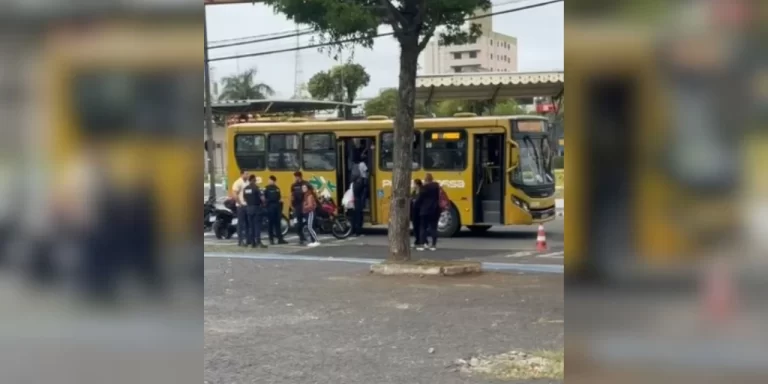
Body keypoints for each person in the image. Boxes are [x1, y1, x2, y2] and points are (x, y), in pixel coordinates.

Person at [415, 173, 441, 251]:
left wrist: (415, 205)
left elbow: (419, 199)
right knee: (433, 228)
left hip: (425, 210)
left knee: (423, 227)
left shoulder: (424, 188)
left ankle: (423, 244)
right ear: (432, 179)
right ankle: (433, 245)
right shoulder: (437, 187)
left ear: (426, 180)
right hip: (435, 209)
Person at [243, 175, 267, 248]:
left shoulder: (246, 188)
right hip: (256, 208)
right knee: (257, 226)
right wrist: (264, 203)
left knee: (251, 226)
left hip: (249, 209)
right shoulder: (256, 188)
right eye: (255, 180)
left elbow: (244, 198)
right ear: (253, 180)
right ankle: (258, 242)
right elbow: (262, 198)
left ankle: (253, 243)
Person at [263, 175, 287, 245]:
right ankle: (271, 239)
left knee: (277, 224)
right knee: (270, 224)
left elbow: (279, 198)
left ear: (273, 181)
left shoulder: (277, 188)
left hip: (277, 208)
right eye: (269, 180)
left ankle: (280, 239)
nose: (269, 181)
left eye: (270, 180)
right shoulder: (266, 188)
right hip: (270, 208)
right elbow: (264, 198)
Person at [230, 170, 249, 246]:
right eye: (246, 174)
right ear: (241, 174)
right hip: (241, 206)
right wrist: (240, 203)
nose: (247, 175)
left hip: (247, 205)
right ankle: (240, 240)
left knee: (248, 224)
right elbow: (234, 194)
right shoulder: (237, 183)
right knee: (241, 224)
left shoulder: (247, 182)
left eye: (248, 174)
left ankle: (248, 239)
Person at [290, 171, 309, 245]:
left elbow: (309, 192)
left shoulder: (305, 183)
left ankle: (308, 235)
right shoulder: (293, 185)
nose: (296, 178)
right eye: (295, 176)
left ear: (300, 176)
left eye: (297, 176)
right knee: (298, 222)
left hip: (304, 204)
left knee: (308, 221)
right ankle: (301, 237)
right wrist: (291, 204)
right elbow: (292, 195)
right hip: (297, 206)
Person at [350, 161, 366, 237]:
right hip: (357, 202)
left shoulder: (355, 181)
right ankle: (357, 232)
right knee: (358, 217)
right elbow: (360, 193)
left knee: (356, 216)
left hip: (355, 201)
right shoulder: (360, 181)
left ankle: (355, 231)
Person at [411, 179, 424, 248]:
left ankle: (420, 241)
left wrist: (414, 200)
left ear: (417, 184)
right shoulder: (414, 191)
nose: (413, 185)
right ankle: (417, 240)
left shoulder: (422, 191)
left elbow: (419, 200)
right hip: (414, 211)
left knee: (420, 226)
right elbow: (411, 198)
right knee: (415, 226)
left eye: (414, 184)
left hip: (419, 210)